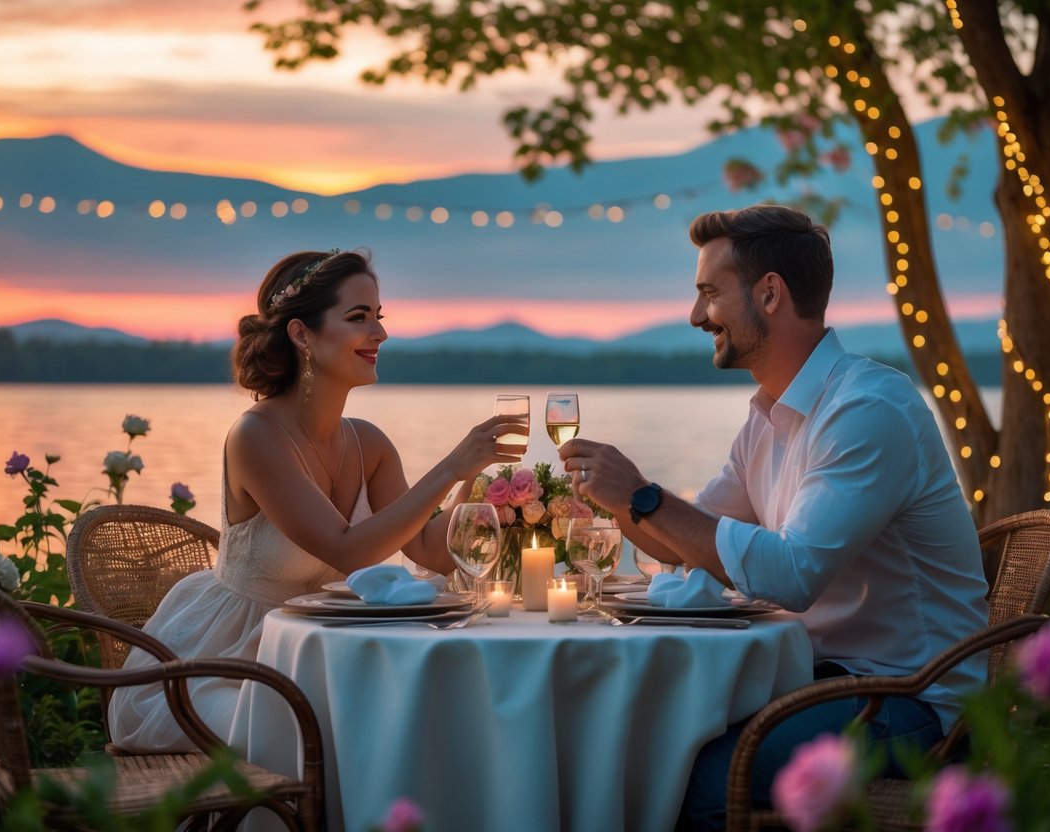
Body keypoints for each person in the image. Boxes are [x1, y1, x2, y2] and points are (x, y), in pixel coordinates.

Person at [558, 205, 989, 830]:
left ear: (769, 293)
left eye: (709, 293)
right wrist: (613, 504)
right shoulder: (768, 418)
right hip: (817, 680)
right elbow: (687, 542)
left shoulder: (868, 412)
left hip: (910, 701)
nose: (695, 315)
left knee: (693, 775)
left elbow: (792, 574)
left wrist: (645, 497)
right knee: (643, 738)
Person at [108, 249, 525, 752]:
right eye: (358, 318)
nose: (380, 334)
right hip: (226, 666)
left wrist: (472, 480)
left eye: (379, 317)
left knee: (431, 718)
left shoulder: (368, 444)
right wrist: (448, 467)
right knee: (317, 735)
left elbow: (433, 553)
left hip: (323, 660)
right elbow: (346, 550)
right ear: (302, 333)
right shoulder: (257, 436)